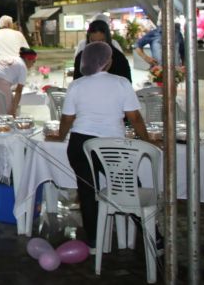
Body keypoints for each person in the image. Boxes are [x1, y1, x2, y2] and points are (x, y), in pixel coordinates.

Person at [46, 42, 151, 251]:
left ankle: (94, 240)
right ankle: (152, 236)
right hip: (112, 146)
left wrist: (60, 136)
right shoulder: (121, 83)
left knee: (86, 191)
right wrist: (146, 139)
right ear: (108, 62)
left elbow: (67, 119)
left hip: (79, 144)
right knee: (130, 186)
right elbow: (135, 118)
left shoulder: (77, 85)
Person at [0, 47, 38, 115]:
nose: (33, 65)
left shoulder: (11, 58)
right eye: (33, 61)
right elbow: (19, 91)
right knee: (7, 113)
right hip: (0, 85)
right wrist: (13, 110)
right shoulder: (23, 66)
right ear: (27, 59)